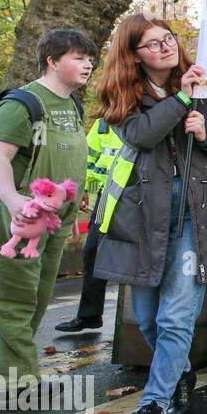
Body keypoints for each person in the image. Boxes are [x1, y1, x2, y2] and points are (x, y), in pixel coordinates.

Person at [90, 13, 207, 414]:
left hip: (195, 219)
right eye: (151, 44)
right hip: (141, 220)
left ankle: (150, 410)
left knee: (176, 317)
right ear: (133, 54)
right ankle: (181, 373)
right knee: (146, 316)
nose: (165, 48)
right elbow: (142, 135)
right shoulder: (125, 93)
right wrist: (183, 97)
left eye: (168, 39)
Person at [0, 29, 97, 383]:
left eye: (90, 58)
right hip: (22, 218)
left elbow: (67, 154)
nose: (88, 64)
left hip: (57, 219)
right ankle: (13, 380)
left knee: (39, 296)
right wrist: (11, 199)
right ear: (52, 61)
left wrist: (77, 194)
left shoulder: (73, 105)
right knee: (16, 298)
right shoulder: (22, 103)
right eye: (78, 57)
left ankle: (6, 368)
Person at [55, 115, 124, 334]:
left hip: (137, 197)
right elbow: (88, 159)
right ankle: (90, 316)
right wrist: (83, 187)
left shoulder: (146, 120)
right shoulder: (102, 126)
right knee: (93, 252)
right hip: (107, 197)